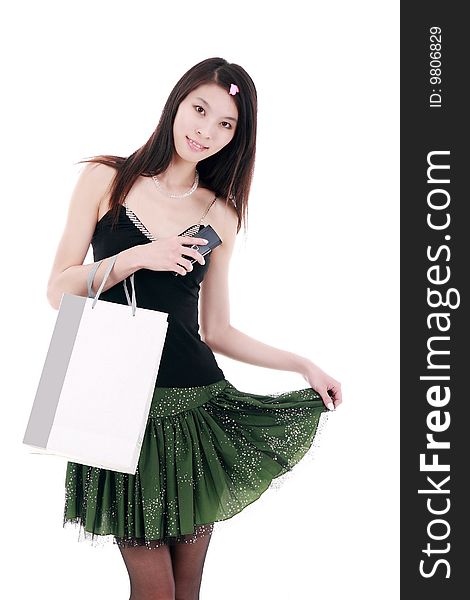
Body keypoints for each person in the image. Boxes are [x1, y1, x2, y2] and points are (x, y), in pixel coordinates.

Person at [47, 56, 342, 600]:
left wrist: (304, 364)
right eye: (199, 110)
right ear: (176, 104)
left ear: (237, 137)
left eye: (226, 124)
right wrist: (141, 257)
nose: (206, 131)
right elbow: (57, 289)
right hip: (113, 407)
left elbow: (218, 331)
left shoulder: (221, 215)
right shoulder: (106, 178)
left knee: (187, 589)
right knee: (154, 590)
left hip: (192, 407)